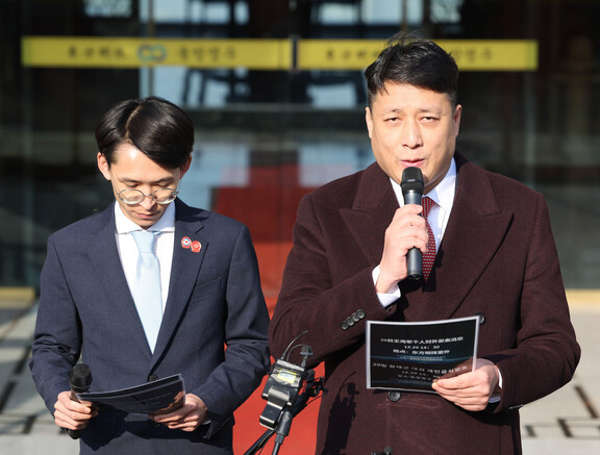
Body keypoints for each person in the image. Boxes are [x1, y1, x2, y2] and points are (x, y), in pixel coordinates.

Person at [269, 37, 580, 454]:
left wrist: (498, 378)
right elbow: (289, 340)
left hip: (471, 439)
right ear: (369, 123)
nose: (410, 139)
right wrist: (379, 281)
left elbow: (555, 345)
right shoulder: (327, 209)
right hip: (365, 442)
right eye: (393, 119)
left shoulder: (519, 210)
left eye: (428, 119)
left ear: (456, 120)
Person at [30, 96, 270, 454]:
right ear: (104, 165)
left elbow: (252, 343)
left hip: (197, 441)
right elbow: (51, 346)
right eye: (131, 186)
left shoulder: (225, 239)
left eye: (163, 186)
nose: (147, 201)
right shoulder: (70, 247)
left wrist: (208, 401)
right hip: (108, 440)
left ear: (184, 167)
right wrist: (59, 396)